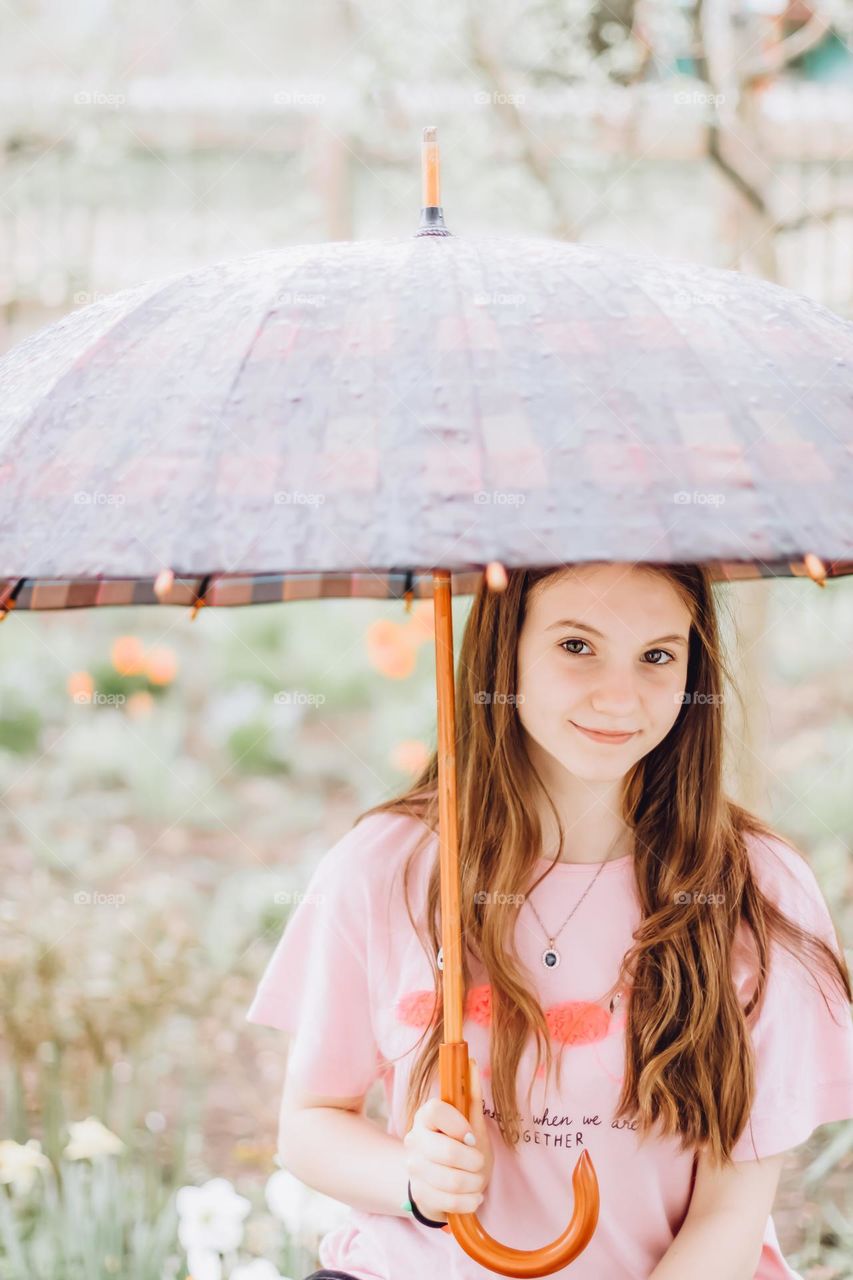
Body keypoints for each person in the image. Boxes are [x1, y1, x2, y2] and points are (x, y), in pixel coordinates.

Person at [246, 561, 853, 1280]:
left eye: (657, 655)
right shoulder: (384, 868)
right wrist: (413, 1179)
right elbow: (312, 1121)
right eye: (576, 646)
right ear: (506, 651)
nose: (619, 696)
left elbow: (730, 1207)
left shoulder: (755, 889)